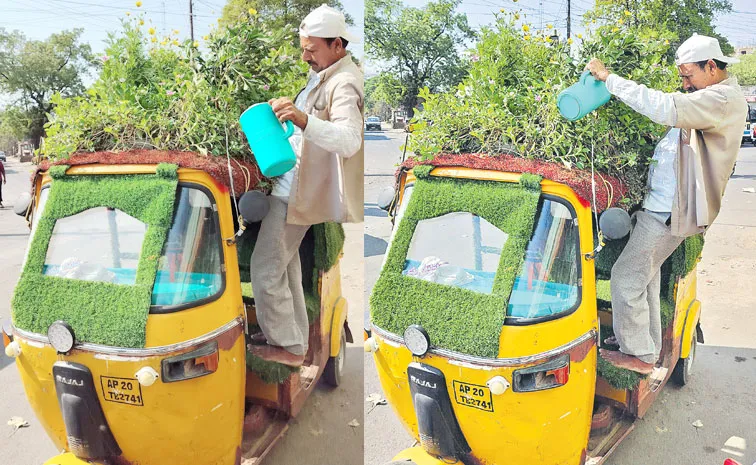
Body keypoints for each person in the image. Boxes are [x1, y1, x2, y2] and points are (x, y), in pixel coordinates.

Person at [585, 34, 747, 374]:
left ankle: (639, 355)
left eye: (689, 75)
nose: (685, 83)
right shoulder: (711, 96)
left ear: (712, 67)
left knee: (625, 277)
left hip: (669, 210)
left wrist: (608, 79)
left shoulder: (720, 99)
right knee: (646, 275)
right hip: (667, 206)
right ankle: (647, 343)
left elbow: (664, 107)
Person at [248, 4, 364, 367]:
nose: (305, 56)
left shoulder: (345, 82)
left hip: (294, 195)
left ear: (337, 46)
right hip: (290, 185)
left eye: (312, 49)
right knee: (285, 270)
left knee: (264, 270)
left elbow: (349, 140)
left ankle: (288, 346)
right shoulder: (324, 74)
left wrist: (302, 118)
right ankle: (293, 339)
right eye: (304, 48)